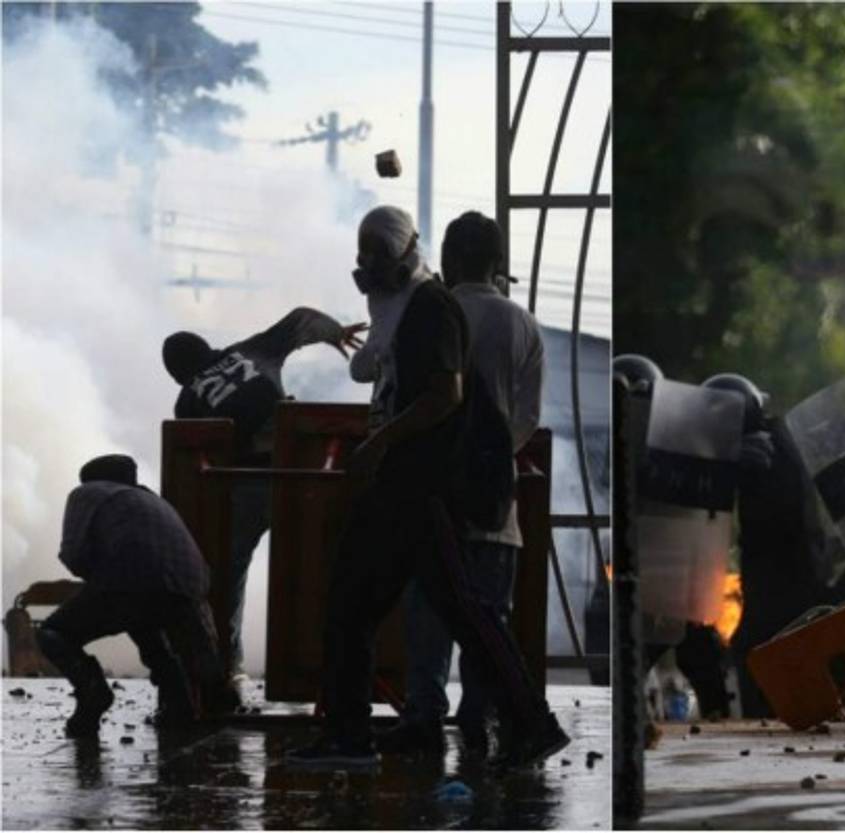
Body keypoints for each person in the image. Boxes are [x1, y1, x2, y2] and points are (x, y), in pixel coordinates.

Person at [287, 205, 566, 768]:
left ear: (408, 253)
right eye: (362, 254)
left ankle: (529, 721)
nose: (366, 266)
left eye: (376, 255)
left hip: (423, 484)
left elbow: (446, 395)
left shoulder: (432, 308)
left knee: (458, 609)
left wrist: (381, 442)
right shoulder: (407, 307)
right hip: (404, 484)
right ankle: (351, 734)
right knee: (359, 604)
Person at [384, 210, 546, 756]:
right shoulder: (521, 323)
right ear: (499, 263)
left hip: (431, 493)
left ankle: (424, 717)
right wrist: (491, 456)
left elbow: (391, 393)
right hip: (496, 500)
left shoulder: (428, 311)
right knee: (488, 616)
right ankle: (480, 720)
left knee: (427, 611)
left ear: (448, 259)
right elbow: (527, 418)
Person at [161, 308, 366, 681]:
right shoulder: (248, 351)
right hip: (300, 469)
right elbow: (301, 319)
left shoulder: (188, 399)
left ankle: (226, 667)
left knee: (228, 573)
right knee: (314, 569)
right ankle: (320, 669)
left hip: (246, 480)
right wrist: (334, 333)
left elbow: (190, 454)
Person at [36, 455, 231, 737]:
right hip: (190, 588)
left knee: (53, 633)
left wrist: (96, 578)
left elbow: (74, 554)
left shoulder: (87, 493)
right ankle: (179, 709)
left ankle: (93, 694)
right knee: (146, 627)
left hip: (129, 581)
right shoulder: (154, 501)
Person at [703, 373, 833, 719]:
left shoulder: (757, 449)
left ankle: (763, 725)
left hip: (782, 577)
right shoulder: (780, 436)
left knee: (753, 649)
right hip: (796, 571)